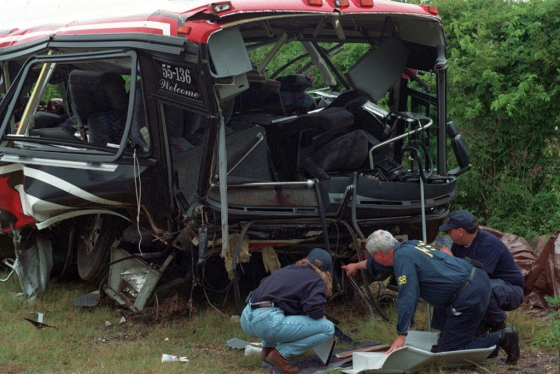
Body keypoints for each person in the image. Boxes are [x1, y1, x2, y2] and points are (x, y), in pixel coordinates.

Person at [342, 230, 520, 364]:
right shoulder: (407, 246)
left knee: (449, 352)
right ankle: (478, 339)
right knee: (443, 339)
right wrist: (356, 266)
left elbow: (408, 296)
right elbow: (375, 263)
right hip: (472, 281)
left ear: (379, 253)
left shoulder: (403, 259)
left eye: (374, 255)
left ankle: (502, 337)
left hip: (469, 293)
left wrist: (402, 334)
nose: (374, 259)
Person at [240, 248, 335, 374]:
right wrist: (321, 316)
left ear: (307, 260)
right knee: (328, 328)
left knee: (277, 308)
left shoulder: (289, 269)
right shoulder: (317, 279)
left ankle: (267, 351)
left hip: (247, 317)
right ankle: (280, 355)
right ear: (326, 272)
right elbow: (314, 310)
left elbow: (270, 292)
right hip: (267, 322)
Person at [437, 210, 525, 336]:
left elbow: (477, 278)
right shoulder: (458, 245)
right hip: (489, 286)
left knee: (478, 289)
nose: (447, 233)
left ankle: (500, 327)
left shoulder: (488, 244)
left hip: (511, 290)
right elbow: (456, 275)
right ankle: (449, 331)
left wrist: (451, 259)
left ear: (461, 231)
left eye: (450, 230)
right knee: (448, 288)